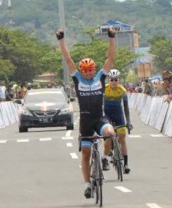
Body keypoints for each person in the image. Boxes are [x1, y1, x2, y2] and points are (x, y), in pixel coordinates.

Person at [56, 27, 116, 199]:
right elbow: (68, 59)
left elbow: (110, 58)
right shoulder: (78, 79)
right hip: (86, 123)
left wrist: (111, 37)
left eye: (91, 69)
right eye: (86, 70)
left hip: (99, 118)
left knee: (110, 133)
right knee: (86, 153)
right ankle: (88, 185)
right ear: (82, 71)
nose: (89, 72)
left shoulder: (100, 78)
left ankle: (105, 158)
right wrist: (61, 40)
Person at [104, 69, 133, 174]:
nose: (114, 81)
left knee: (122, 139)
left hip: (118, 114)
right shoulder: (104, 89)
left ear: (119, 80)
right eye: (111, 79)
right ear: (108, 80)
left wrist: (128, 122)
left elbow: (126, 108)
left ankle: (125, 164)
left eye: (116, 79)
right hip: (107, 114)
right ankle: (109, 149)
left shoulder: (122, 90)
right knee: (108, 134)